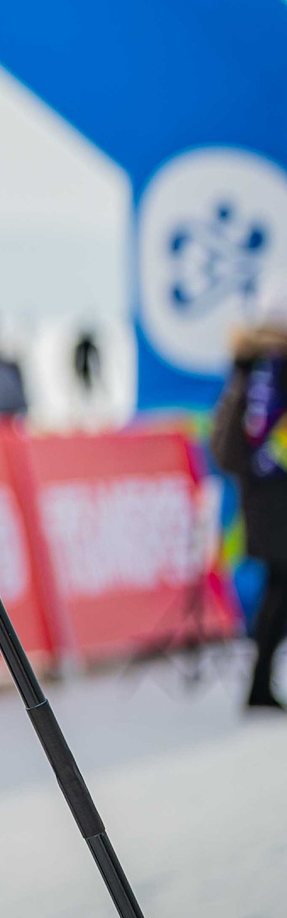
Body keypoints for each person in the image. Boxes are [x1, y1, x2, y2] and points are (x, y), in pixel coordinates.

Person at [211, 292, 287, 710]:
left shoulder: (250, 364)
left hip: (263, 496)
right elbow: (270, 442)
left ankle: (260, 683)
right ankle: (259, 685)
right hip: (275, 497)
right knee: (280, 588)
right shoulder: (272, 367)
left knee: (279, 587)